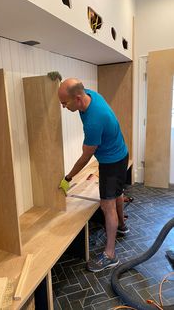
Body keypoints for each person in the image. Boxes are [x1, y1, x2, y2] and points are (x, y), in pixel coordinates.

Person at [58, 78, 129, 272]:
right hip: (121, 152)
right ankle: (122, 226)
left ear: (78, 99)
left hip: (111, 161)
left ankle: (110, 255)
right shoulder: (90, 95)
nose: (63, 107)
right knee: (117, 193)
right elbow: (72, 88)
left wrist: (68, 177)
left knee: (107, 205)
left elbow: (85, 158)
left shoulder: (94, 122)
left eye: (65, 103)